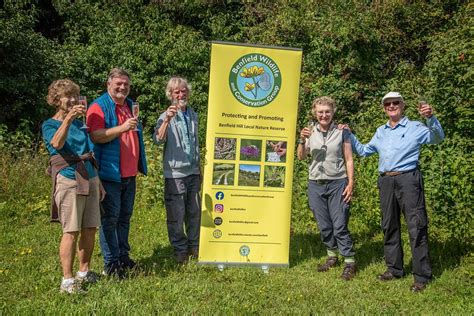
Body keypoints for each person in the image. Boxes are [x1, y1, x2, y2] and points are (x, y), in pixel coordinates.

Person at [349, 91, 445, 292]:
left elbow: (437, 138)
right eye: (387, 104)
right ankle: (394, 269)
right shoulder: (380, 131)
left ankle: (421, 276)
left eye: (395, 103)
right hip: (386, 181)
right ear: (384, 108)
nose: (391, 106)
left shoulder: (416, 127)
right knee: (389, 225)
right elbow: (365, 150)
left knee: (416, 226)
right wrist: (348, 134)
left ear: (402, 105)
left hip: (408, 179)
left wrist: (430, 118)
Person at [42, 79, 103, 293]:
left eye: (76, 95)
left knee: (90, 227)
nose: (73, 99)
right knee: (71, 230)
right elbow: (57, 144)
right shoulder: (50, 124)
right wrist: (68, 118)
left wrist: (99, 181)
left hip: (90, 176)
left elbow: (89, 153)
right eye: (68, 95)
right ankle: (67, 281)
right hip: (69, 177)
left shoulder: (81, 123)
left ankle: (84, 272)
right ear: (57, 99)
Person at [87, 68, 147, 278]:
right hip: (109, 173)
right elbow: (95, 136)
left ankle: (123, 257)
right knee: (110, 220)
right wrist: (122, 128)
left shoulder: (131, 105)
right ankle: (111, 265)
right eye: (118, 84)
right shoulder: (98, 106)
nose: (123, 87)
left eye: (126, 85)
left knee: (124, 218)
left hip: (129, 174)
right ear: (108, 85)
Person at [297, 96, 357, 280]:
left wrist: (350, 183)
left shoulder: (342, 132)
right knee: (324, 225)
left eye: (327, 112)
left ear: (333, 113)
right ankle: (332, 256)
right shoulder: (309, 131)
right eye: (320, 112)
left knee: (339, 224)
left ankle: (349, 261)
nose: (324, 115)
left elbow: (348, 159)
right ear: (315, 113)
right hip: (315, 183)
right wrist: (301, 140)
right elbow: (301, 156)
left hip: (337, 182)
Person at [153, 76, 201, 264]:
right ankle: (180, 249)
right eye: (176, 92)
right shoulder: (165, 116)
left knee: (194, 212)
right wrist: (167, 119)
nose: (181, 94)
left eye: (183, 90)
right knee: (176, 214)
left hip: (193, 172)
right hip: (175, 173)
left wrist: (199, 169)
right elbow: (158, 139)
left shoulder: (194, 115)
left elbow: (196, 143)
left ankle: (194, 246)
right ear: (170, 95)